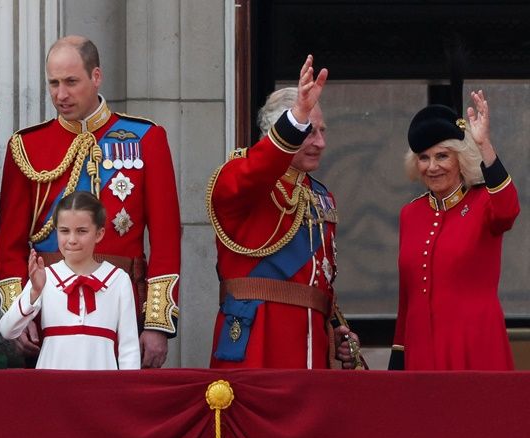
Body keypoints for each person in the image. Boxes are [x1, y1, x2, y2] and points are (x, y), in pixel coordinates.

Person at [0, 36, 181, 368]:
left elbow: (166, 239)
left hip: (121, 307)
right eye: (53, 83)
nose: (60, 95)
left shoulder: (146, 138)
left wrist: (156, 323)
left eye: (71, 82)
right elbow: (9, 243)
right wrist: (18, 308)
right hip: (49, 310)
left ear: (96, 77)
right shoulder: (26, 146)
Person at [207, 55, 360, 369]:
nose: (320, 142)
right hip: (258, 339)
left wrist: (336, 331)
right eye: (308, 132)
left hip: (312, 347)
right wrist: (297, 117)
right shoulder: (239, 176)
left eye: (322, 131)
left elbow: (320, 281)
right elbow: (260, 169)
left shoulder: (321, 195)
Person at [390, 91, 518, 371]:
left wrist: (484, 145)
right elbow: (406, 297)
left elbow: (509, 210)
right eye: (424, 158)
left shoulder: (484, 202)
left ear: (460, 158)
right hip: (421, 351)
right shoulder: (410, 214)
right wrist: (398, 357)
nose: (432, 167)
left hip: (475, 346)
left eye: (442, 156)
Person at [0, 192, 140, 369]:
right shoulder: (45, 277)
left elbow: (129, 349)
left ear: (99, 234)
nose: (72, 240)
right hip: (52, 386)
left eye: (82, 231)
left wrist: (127, 393)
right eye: (64, 231)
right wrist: (34, 292)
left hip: (102, 388)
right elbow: (7, 330)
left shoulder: (119, 279)